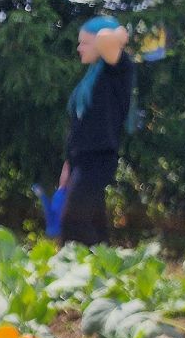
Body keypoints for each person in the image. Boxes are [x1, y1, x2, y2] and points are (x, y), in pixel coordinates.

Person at [57, 17, 133, 245]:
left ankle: (79, 272)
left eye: (84, 43)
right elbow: (80, 129)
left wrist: (118, 35)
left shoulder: (118, 68)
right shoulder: (91, 78)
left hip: (98, 158)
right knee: (93, 225)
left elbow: (106, 39)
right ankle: (104, 272)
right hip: (81, 159)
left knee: (73, 222)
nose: (79, 48)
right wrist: (67, 166)